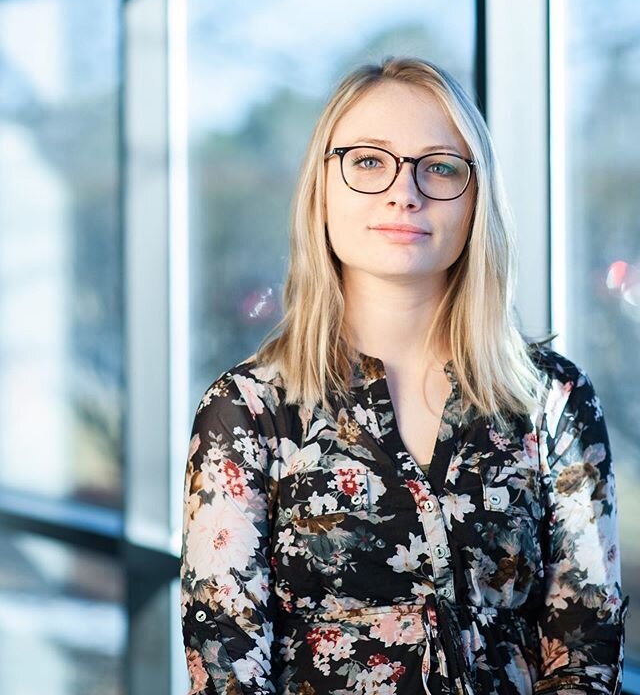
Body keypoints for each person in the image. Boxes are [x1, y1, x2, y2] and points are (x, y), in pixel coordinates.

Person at [179, 56, 629, 695]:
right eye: (368, 160)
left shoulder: (553, 399)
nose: (403, 191)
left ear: (477, 198)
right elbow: (227, 670)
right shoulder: (245, 411)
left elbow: (587, 649)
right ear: (322, 187)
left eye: (440, 166)